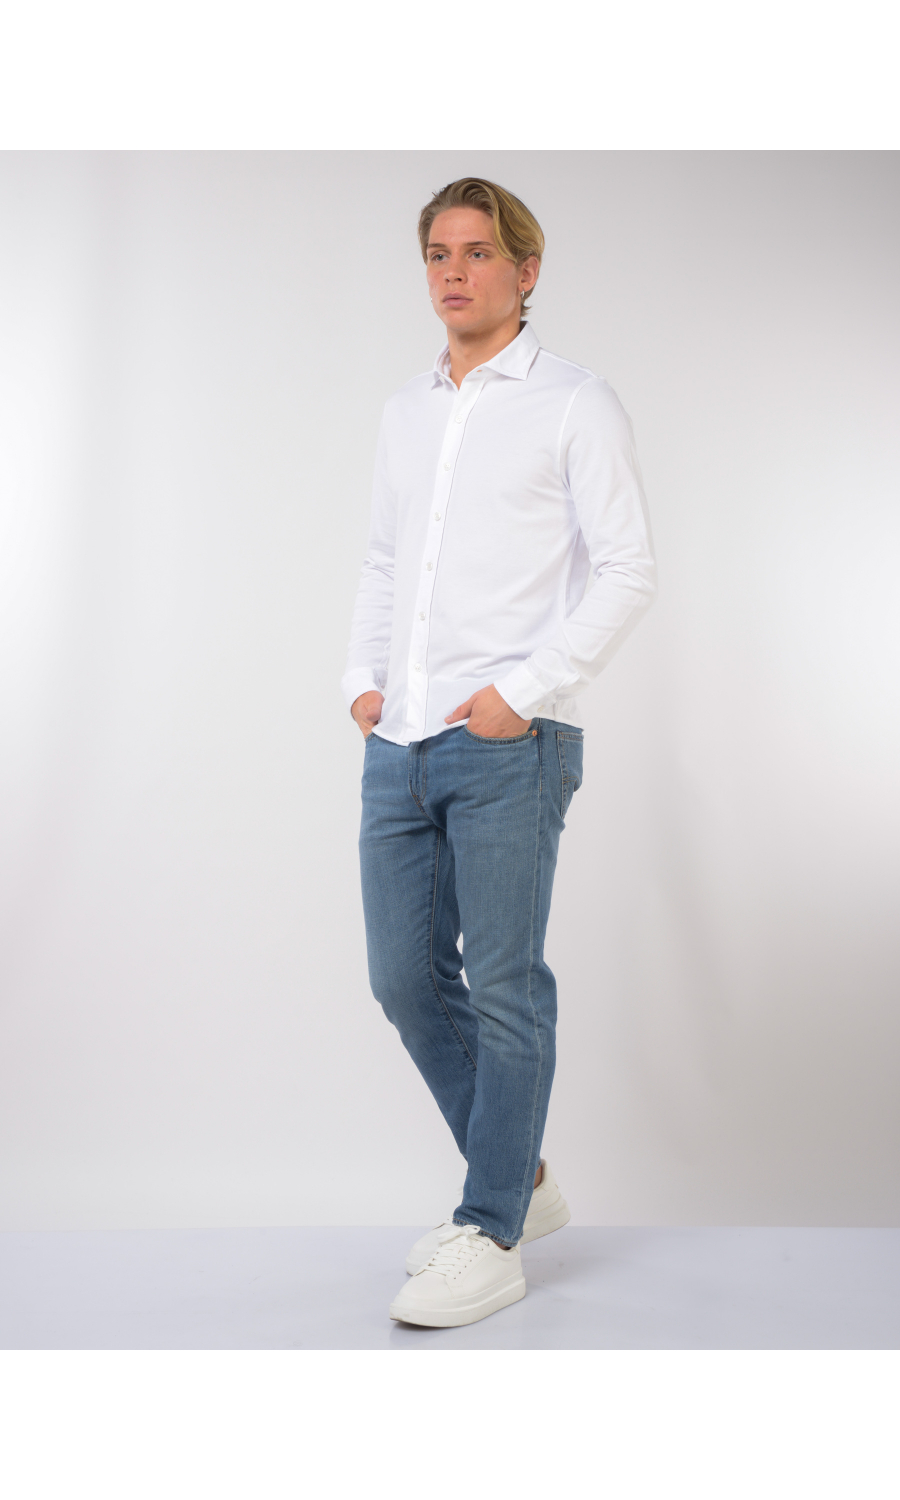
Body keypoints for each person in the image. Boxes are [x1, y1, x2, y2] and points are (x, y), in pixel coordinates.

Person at [342, 177, 656, 1328]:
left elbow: (628, 569)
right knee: (403, 977)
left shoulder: (576, 402)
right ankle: (521, 1178)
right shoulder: (406, 409)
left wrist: (519, 697)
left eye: (478, 252)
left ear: (526, 270)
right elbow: (387, 561)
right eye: (438, 253)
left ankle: (491, 1231)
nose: (454, 272)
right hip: (401, 738)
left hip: (510, 742)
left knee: (507, 984)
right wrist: (363, 682)